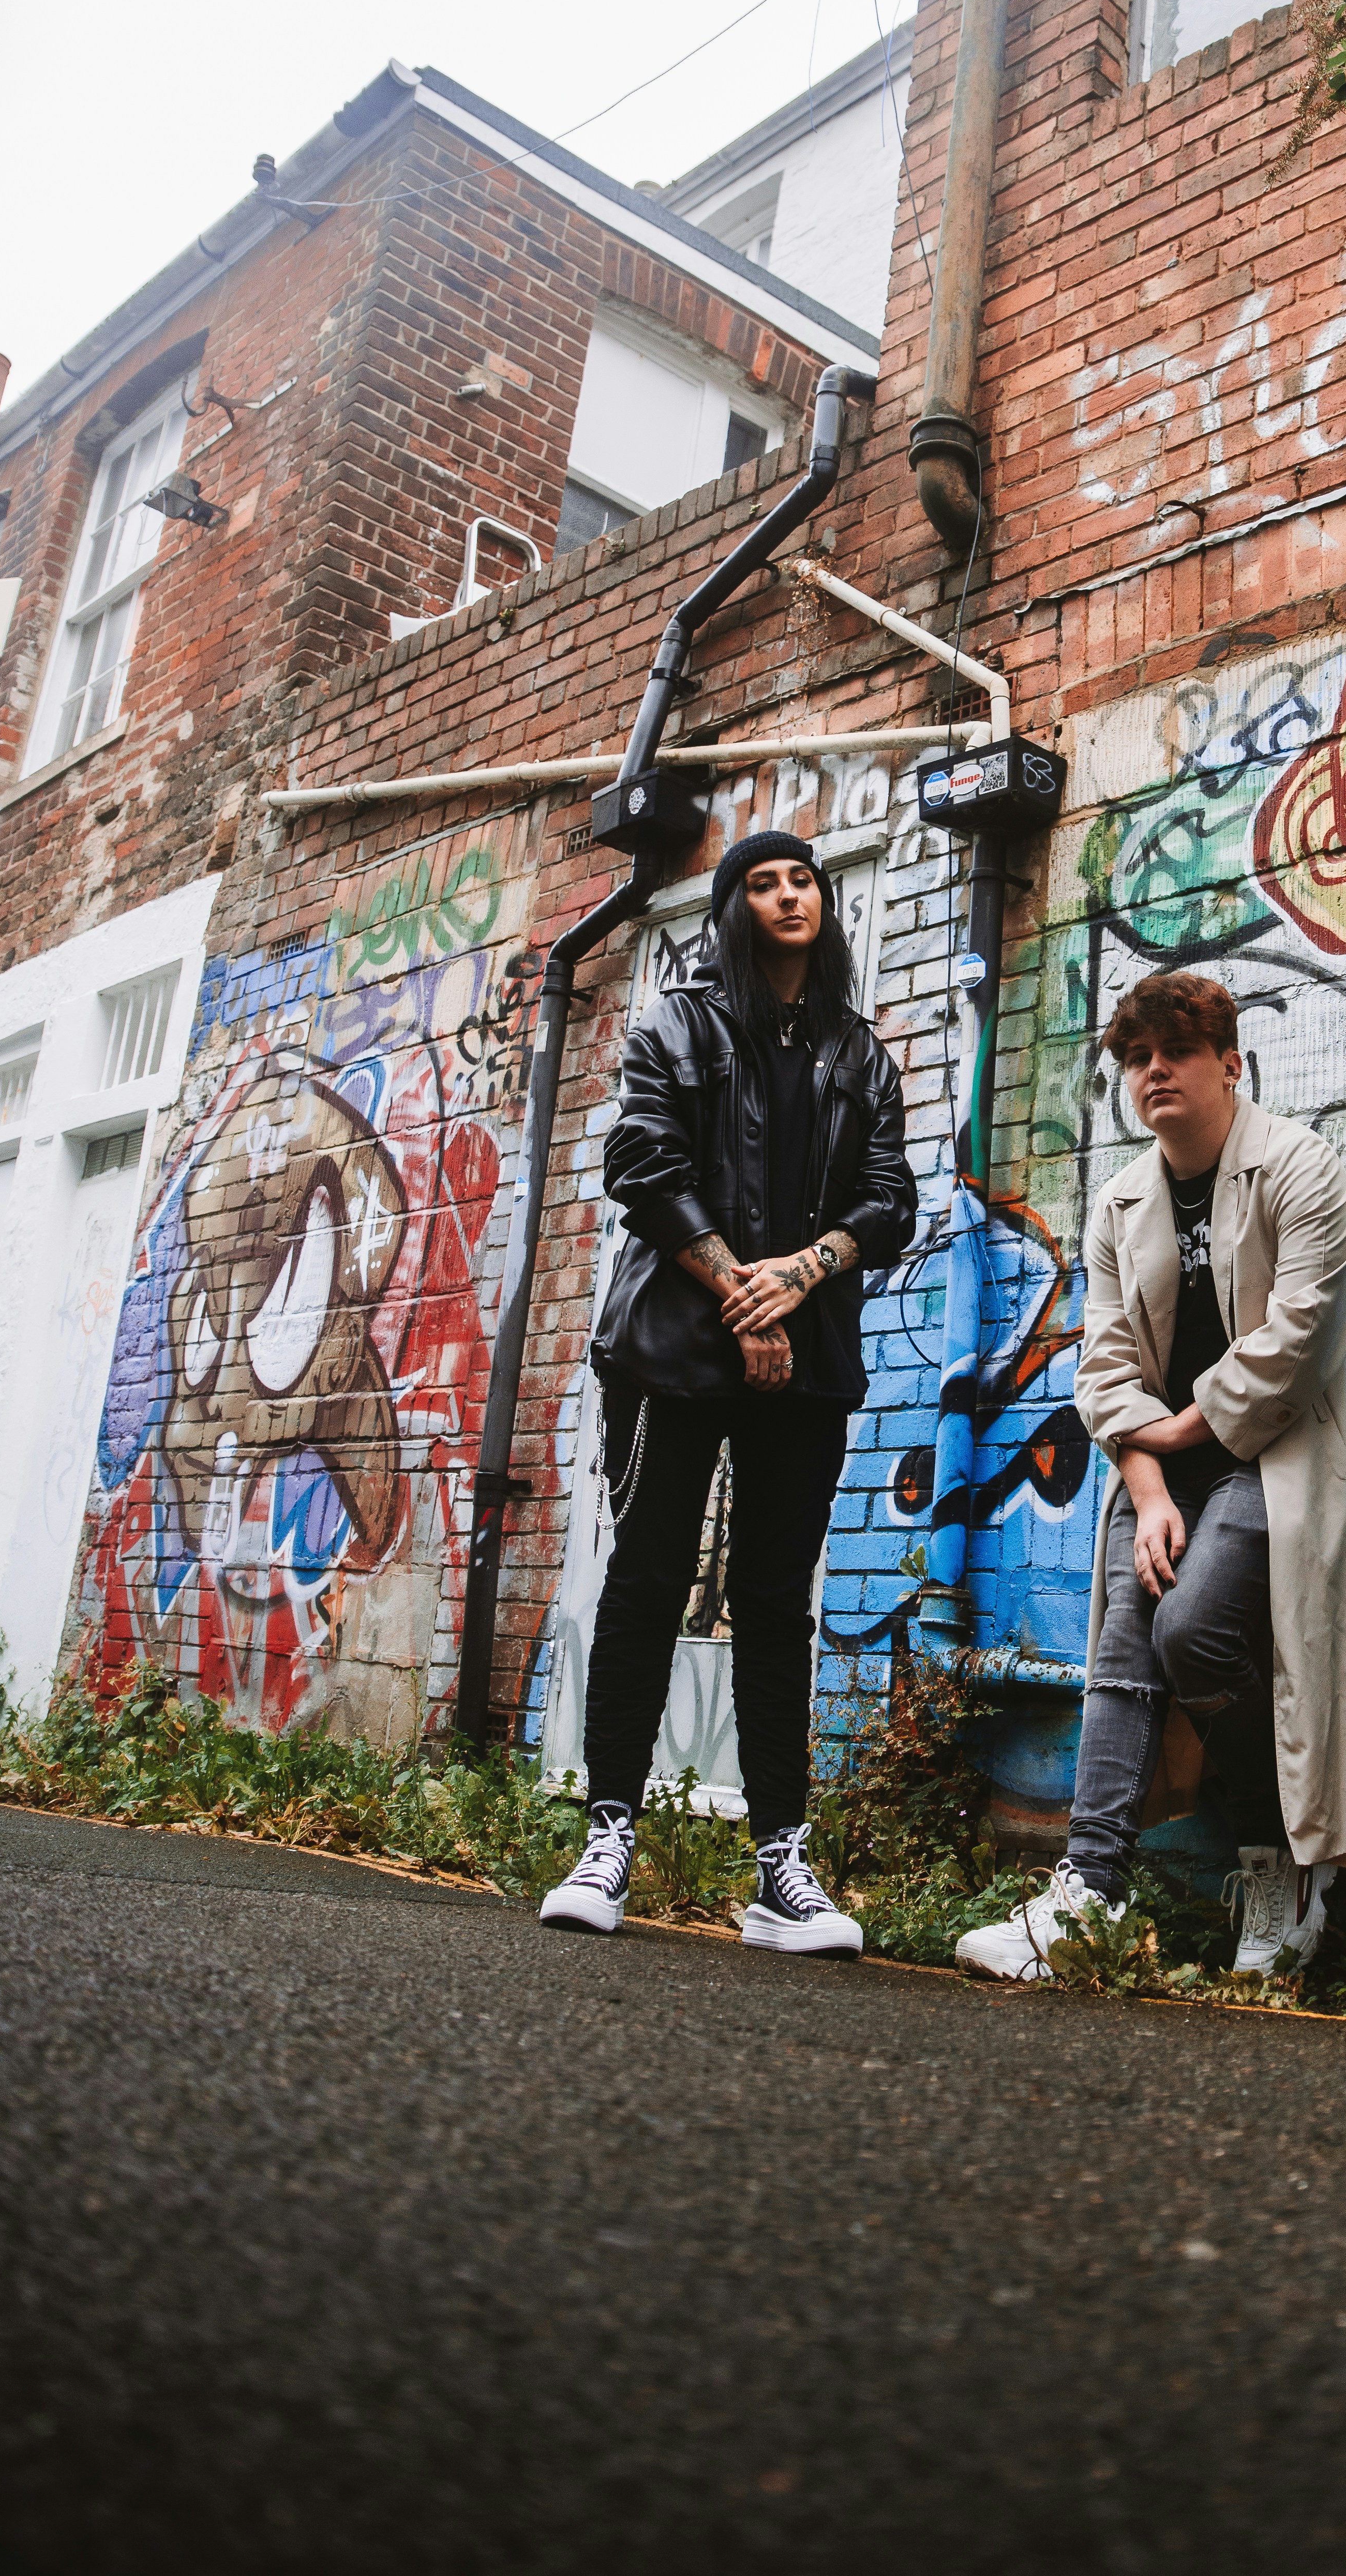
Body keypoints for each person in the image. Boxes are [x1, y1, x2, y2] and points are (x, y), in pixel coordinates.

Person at [957, 970, 1346, 1984]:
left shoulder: (1301, 1167)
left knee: (1193, 1626)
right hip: (1167, 1469)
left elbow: (1296, 1339)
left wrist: (1175, 1428)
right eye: (1137, 1058)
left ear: (1231, 1064)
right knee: (1129, 1638)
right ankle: (1087, 1890)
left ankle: (1280, 1852)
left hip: (1289, 1450)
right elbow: (1102, 1365)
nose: (1155, 1072)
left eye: (1176, 1051)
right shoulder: (1120, 1201)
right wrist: (1148, 1488)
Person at [541, 830, 917, 1952]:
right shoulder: (676, 1023)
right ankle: (608, 1838)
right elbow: (644, 1166)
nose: (789, 895)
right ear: (731, 908)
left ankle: (780, 1867)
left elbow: (888, 1199)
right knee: (648, 1579)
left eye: (804, 879)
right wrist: (744, 1297)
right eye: (763, 882)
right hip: (673, 1352)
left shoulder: (859, 1052)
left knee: (775, 1600)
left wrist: (799, 1277)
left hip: (806, 1364)